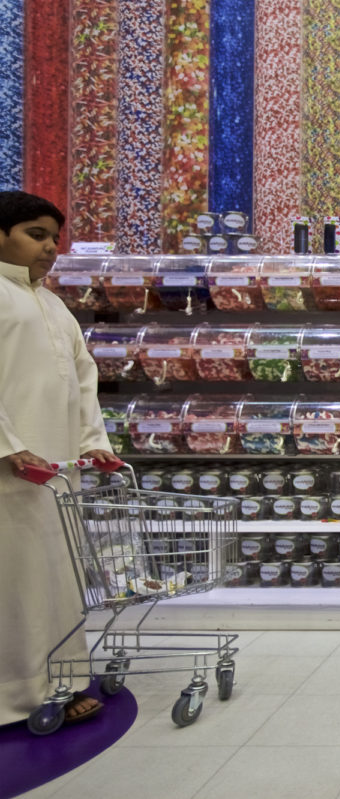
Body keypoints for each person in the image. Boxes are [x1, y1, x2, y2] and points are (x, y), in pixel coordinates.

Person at [0, 191, 121, 727]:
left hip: (55, 469)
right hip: (10, 470)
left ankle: (62, 680)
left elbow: (82, 377)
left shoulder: (49, 301)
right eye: (35, 234)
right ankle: (17, 694)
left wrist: (93, 441)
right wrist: (8, 446)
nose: (50, 247)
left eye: (53, 237)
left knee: (57, 578)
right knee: (14, 584)